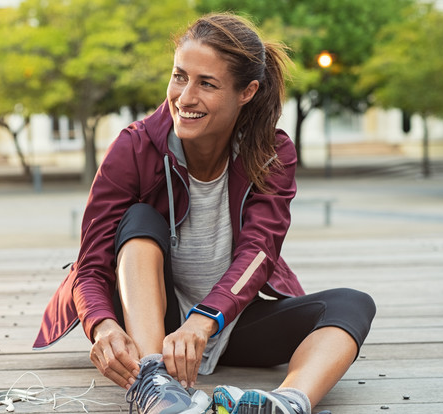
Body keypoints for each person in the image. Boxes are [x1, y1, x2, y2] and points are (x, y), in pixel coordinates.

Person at [33, 12, 376, 414]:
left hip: (229, 320)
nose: (185, 97)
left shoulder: (271, 153)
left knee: (352, 304)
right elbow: (91, 266)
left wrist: (205, 319)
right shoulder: (134, 147)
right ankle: (154, 380)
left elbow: (259, 253)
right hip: (154, 326)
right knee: (140, 219)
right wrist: (102, 324)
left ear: (246, 92)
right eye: (180, 76)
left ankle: (287, 403)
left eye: (206, 84)